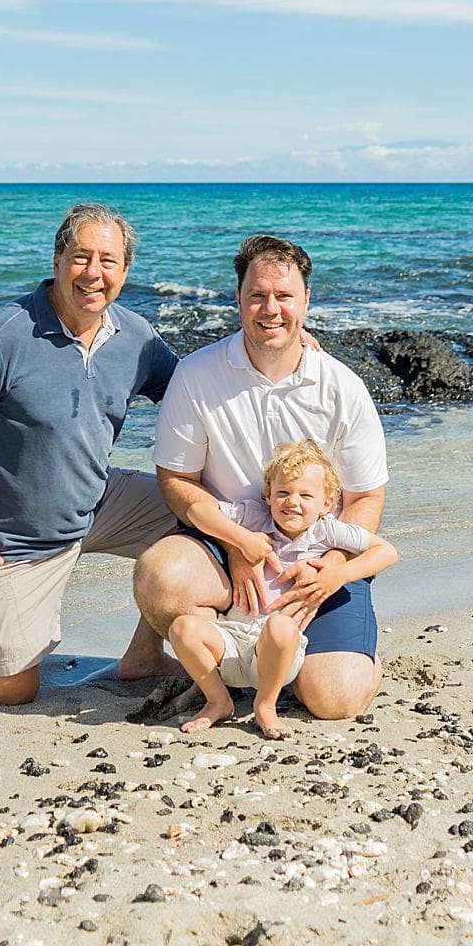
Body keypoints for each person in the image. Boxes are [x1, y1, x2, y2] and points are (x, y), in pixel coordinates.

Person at [0, 203, 179, 705]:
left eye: (108, 260)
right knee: (11, 690)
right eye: (81, 257)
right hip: (14, 539)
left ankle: (143, 655)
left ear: (125, 271)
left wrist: (282, 341)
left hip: (99, 502)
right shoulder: (3, 338)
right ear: (57, 261)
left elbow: (195, 392)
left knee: (205, 516)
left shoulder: (136, 338)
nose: (93, 273)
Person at [134, 233, 390, 721]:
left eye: (284, 296)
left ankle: (354, 658)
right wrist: (234, 543)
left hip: (317, 556)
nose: (270, 308)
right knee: (159, 575)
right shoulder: (196, 374)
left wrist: (328, 565)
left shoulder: (343, 387)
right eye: (257, 295)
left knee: (334, 700)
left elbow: (366, 496)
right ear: (238, 299)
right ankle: (219, 671)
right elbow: (176, 480)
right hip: (225, 540)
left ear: (306, 301)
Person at [167, 438, 397, 739]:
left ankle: (265, 705)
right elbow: (198, 512)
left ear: (326, 504)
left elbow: (387, 552)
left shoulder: (326, 531)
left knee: (280, 627)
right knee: (183, 628)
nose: (293, 502)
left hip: (278, 651)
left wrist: (338, 574)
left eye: (306, 495)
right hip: (232, 639)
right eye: (283, 493)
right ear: (268, 494)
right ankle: (218, 701)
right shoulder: (254, 517)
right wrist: (241, 539)